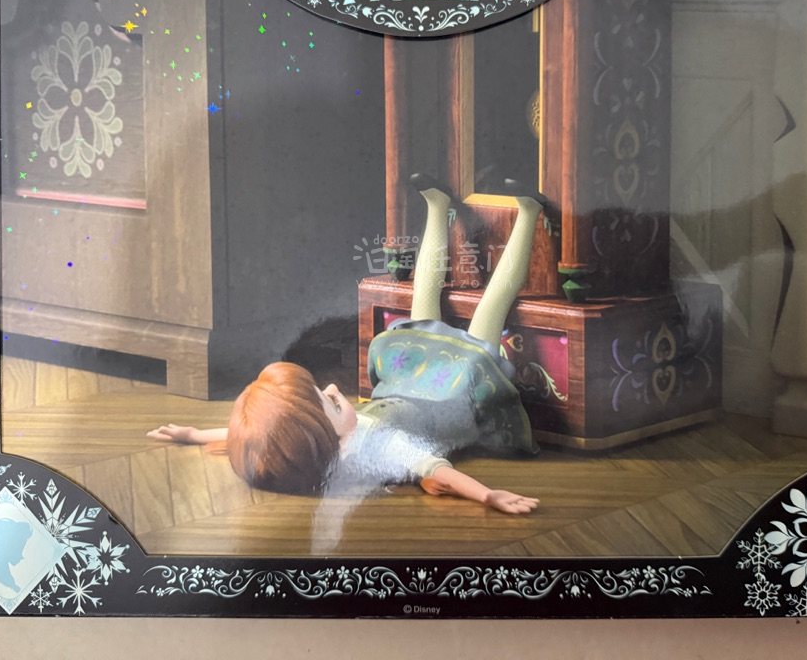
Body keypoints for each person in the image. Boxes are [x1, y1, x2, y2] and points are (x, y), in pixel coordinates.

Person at [149, 174, 544, 514]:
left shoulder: (311, 449)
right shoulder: (380, 450)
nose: (335, 389)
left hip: (409, 384)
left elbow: (268, 436)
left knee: (423, 297)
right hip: (457, 395)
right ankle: (529, 215)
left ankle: (438, 208)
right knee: (492, 304)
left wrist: (195, 435)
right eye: (331, 403)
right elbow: (439, 471)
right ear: (327, 438)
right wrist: (487, 495)